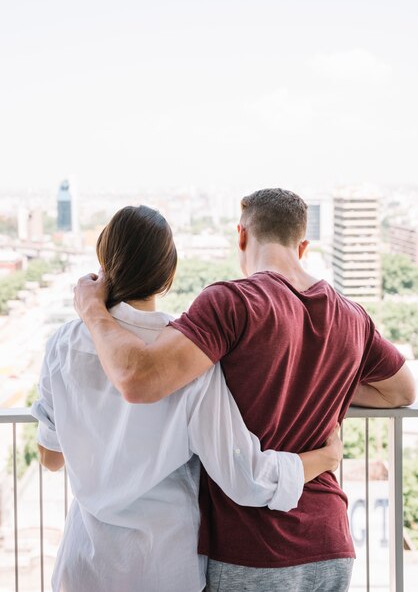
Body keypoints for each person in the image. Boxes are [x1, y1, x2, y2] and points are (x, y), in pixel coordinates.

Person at [74, 189, 416, 592]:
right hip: (330, 542)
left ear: (241, 237)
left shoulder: (233, 302)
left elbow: (138, 378)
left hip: (251, 550)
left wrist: (91, 309)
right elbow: (402, 391)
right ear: (302, 246)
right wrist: (326, 379)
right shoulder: (353, 316)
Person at [32, 204, 342, 592]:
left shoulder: (62, 345)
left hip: (83, 567)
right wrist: (324, 458)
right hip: (164, 568)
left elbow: (50, 456)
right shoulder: (186, 359)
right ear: (168, 274)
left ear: (104, 262)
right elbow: (245, 478)